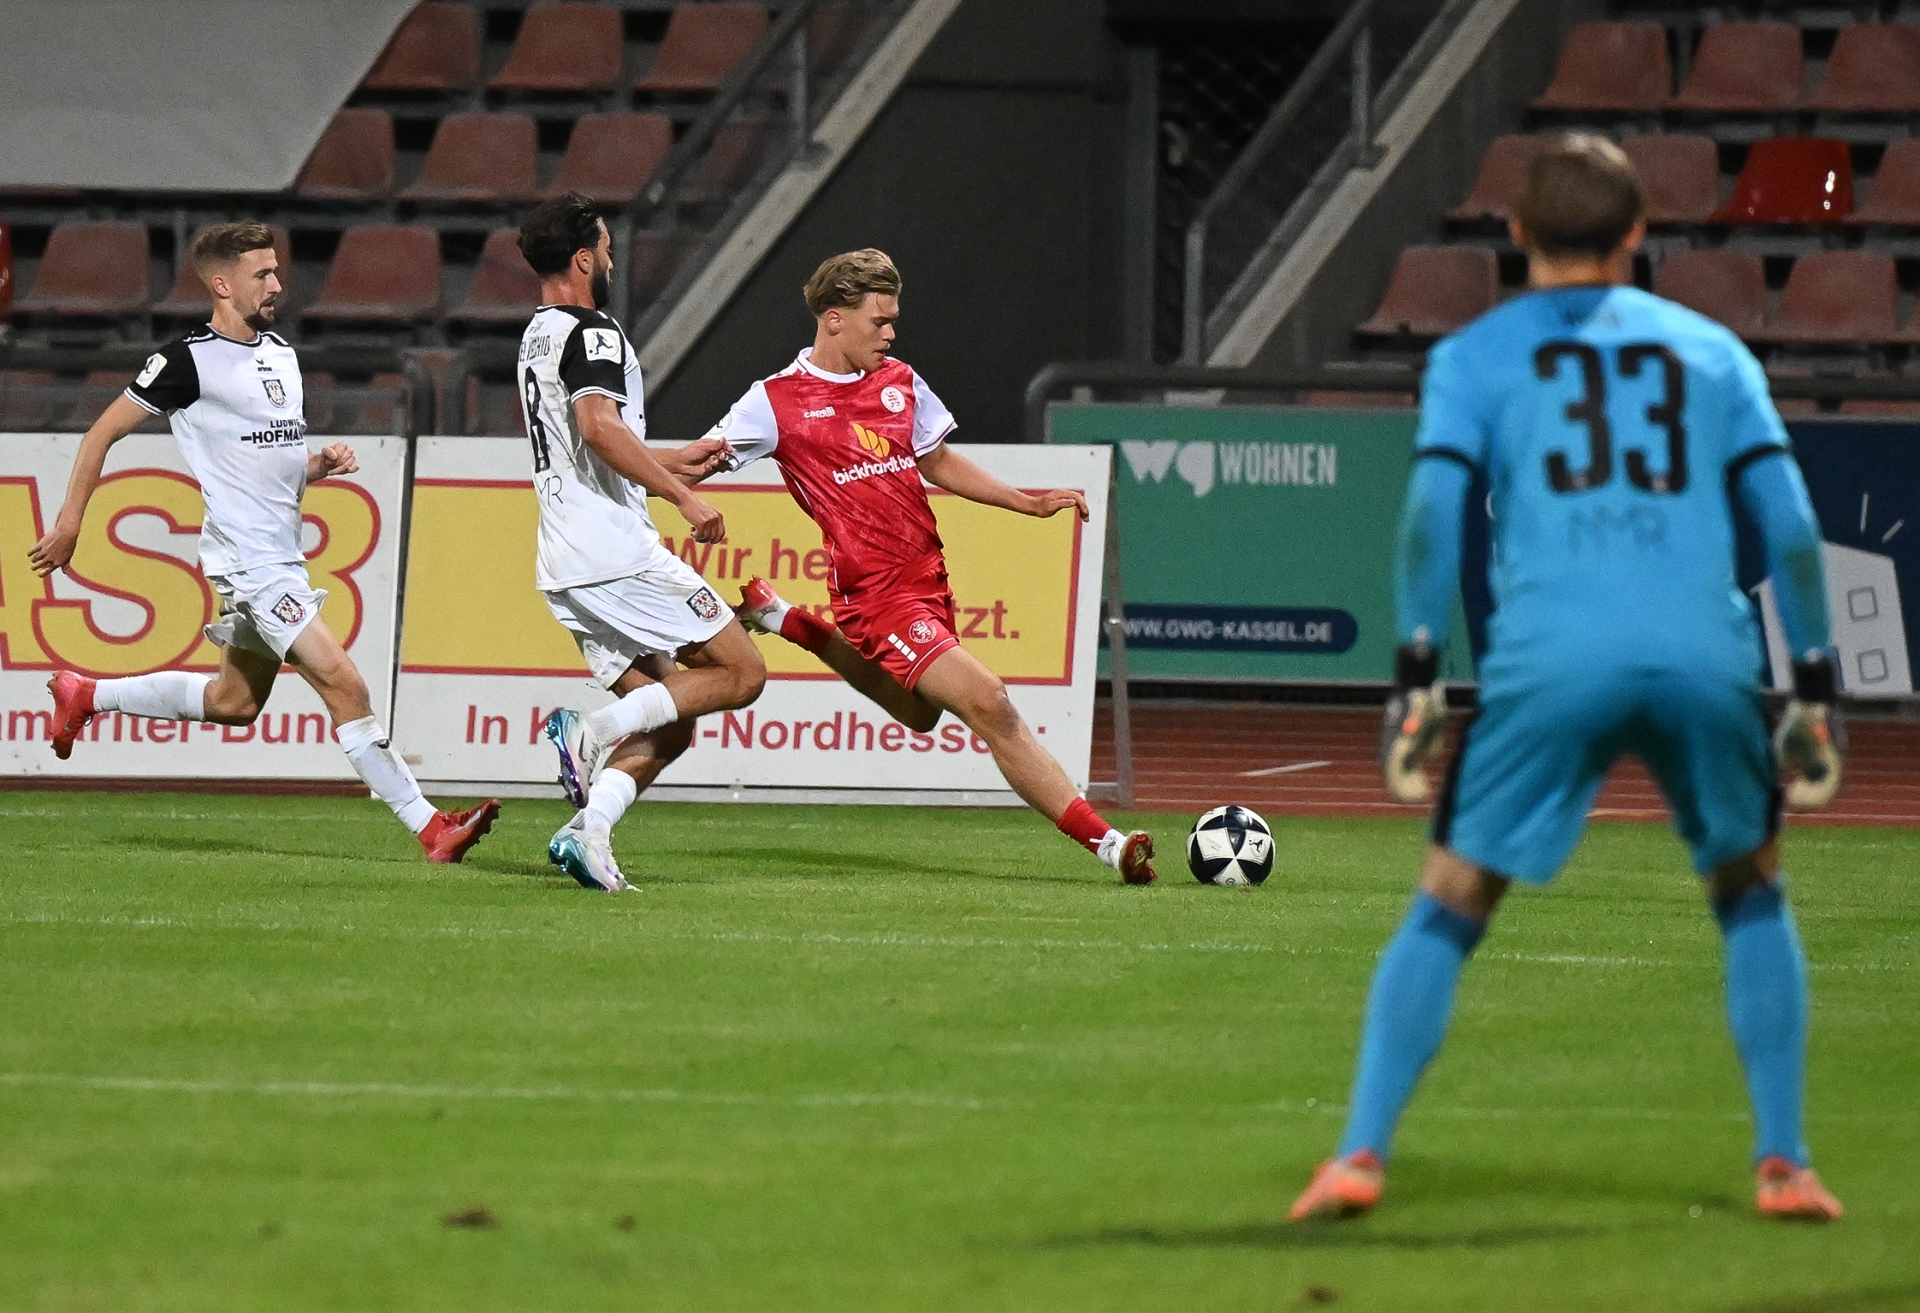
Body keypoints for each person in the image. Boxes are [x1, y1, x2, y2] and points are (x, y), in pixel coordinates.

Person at [1288, 136, 1846, 1224]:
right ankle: (1785, 1162)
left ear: (1515, 234)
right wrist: (1817, 682)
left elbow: (1431, 515)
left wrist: (1416, 671)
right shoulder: (1714, 352)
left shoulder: (1475, 358)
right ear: (1637, 231)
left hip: (1550, 657)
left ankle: (1359, 1151)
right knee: (1751, 889)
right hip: (1702, 655)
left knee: (1451, 898)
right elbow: (1789, 525)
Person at [28, 222, 498, 863]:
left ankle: (87, 694)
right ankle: (432, 828)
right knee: (345, 684)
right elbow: (99, 434)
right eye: (262, 274)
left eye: (277, 271)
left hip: (281, 557)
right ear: (222, 285)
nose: (277, 284)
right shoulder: (187, 360)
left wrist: (317, 465)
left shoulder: (279, 352)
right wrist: (70, 524)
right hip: (248, 564)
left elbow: (265, 462)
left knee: (234, 702)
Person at [704, 248, 1157, 883]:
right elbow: (701, 457)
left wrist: (1027, 503)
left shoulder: (899, 381)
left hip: (926, 577)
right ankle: (1108, 843)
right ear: (834, 319)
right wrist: (628, 466)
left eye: (893, 320)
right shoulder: (775, 402)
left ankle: (785, 620)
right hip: (874, 592)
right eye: (880, 320)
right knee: (990, 701)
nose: (891, 333)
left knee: (921, 714)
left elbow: (937, 461)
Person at [515, 193, 765, 892]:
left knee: (672, 716)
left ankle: (586, 833)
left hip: (565, 562)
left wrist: (676, 463)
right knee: (742, 674)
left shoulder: (537, 334)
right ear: (582, 259)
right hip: (613, 555)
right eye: (606, 249)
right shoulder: (594, 330)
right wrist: (684, 496)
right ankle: (589, 731)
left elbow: (590, 448)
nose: (612, 262)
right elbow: (599, 427)